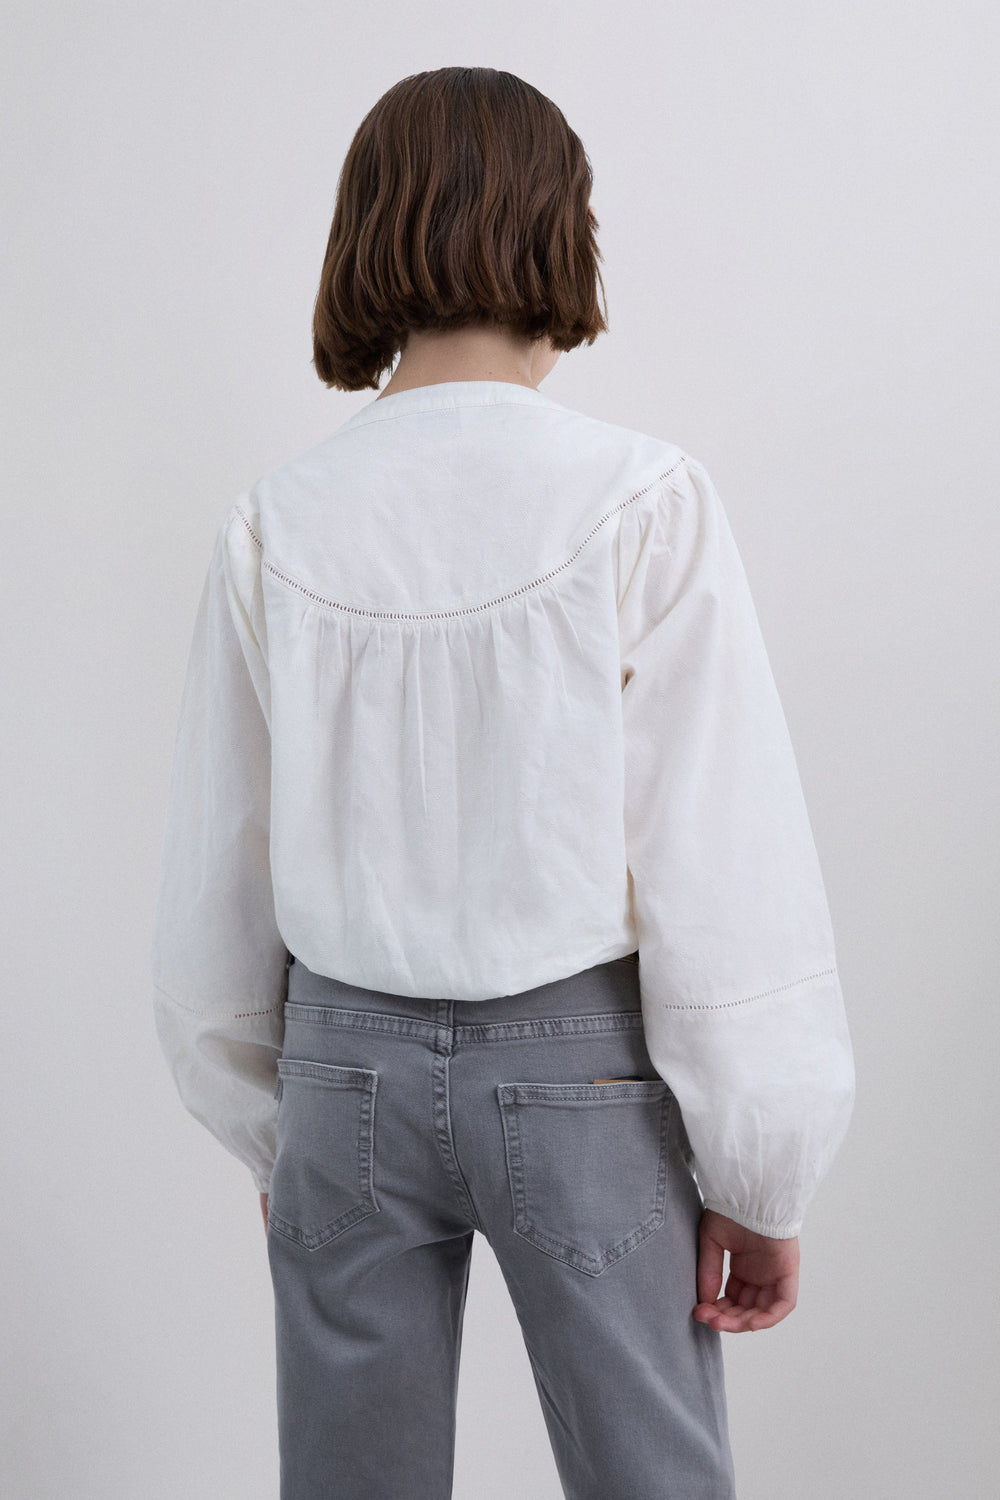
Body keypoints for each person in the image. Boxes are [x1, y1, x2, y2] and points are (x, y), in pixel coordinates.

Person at [151, 66, 856, 1500]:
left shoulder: (275, 524)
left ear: (365, 235)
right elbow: (721, 853)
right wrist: (759, 1169)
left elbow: (220, 866)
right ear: (558, 232)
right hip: (577, 1072)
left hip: (340, 1072)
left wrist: (274, 1123)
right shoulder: (641, 500)